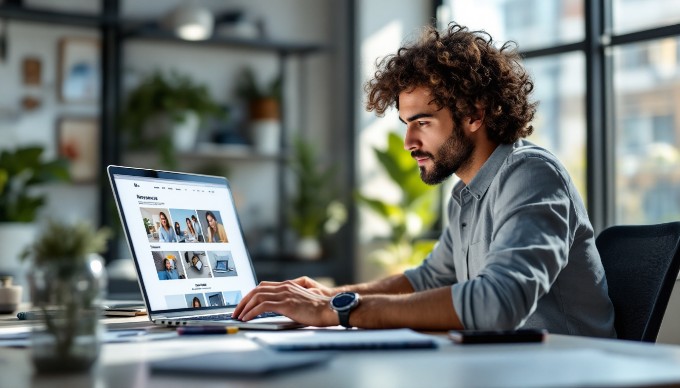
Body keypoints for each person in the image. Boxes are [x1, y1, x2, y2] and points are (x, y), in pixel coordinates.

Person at [233, 23, 616, 337]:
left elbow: (498, 303)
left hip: (570, 372)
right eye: (406, 124)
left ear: (473, 115)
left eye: (422, 122)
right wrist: (329, 295)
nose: (408, 142)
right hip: (508, 369)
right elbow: (427, 280)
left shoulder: (531, 175)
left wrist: (339, 310)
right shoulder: (467, 194)